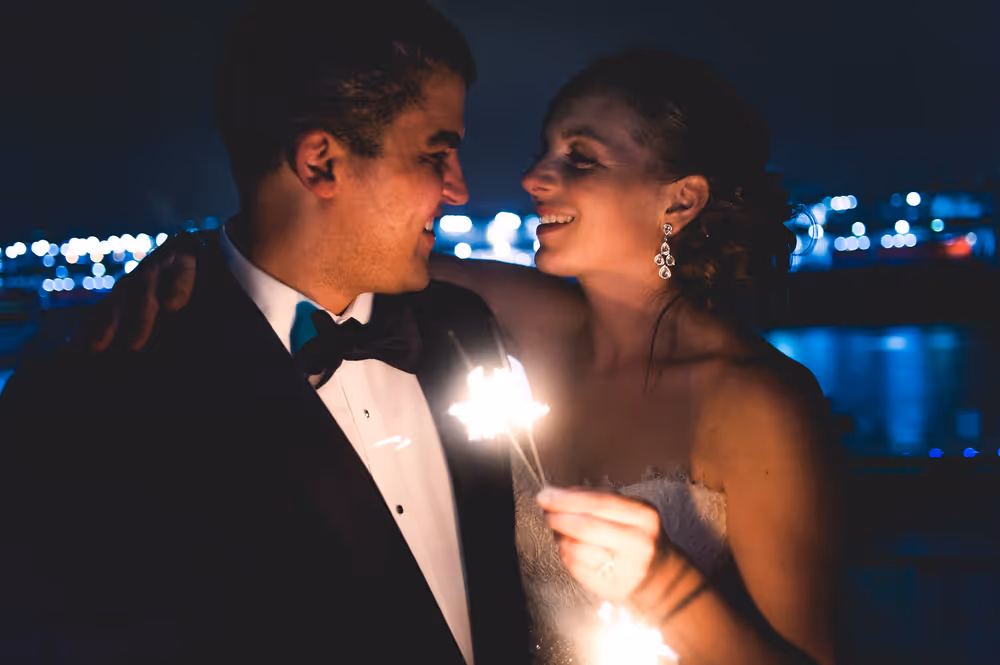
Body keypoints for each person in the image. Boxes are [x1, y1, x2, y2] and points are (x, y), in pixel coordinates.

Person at [88, 51, 840, 664]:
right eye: (544, 149)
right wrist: (188, 257)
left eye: (579, 158)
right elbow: (316, 246)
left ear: (680, 201)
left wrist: (666, 585)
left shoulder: (757, 401)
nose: (533, 178)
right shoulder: (537, 323)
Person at [0, 1, 530, 663]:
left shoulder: (463, 329)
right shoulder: (96, 407)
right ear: (321, 163)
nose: (458, 190)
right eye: (436, 154)